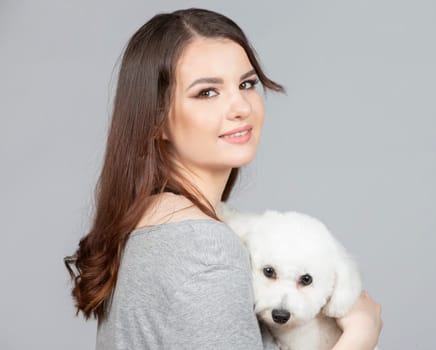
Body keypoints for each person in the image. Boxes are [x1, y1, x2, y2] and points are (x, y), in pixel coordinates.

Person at [64, 8, 382, 350]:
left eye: (246, 84)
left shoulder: (146, 222)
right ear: (157, 120)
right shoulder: (205, 249)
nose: (240, 106)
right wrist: (361, 335)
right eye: (207, 92)